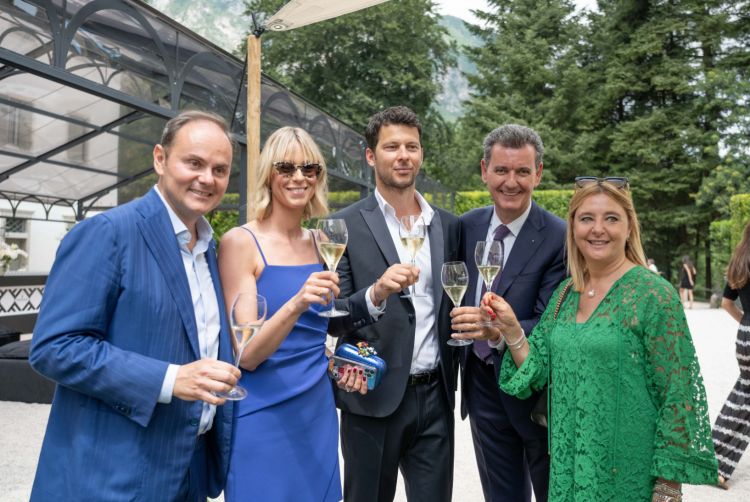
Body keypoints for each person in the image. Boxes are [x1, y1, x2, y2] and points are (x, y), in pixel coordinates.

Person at [28, 111, 241, 501]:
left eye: (219, 169)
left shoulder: (210, 250)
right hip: (114, 473)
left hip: (189, 472)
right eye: (193, 162)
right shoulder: (108, 233)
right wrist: (169, 379)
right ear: (160, 159)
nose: (207, 178)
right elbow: (54, 347)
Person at [464, 177, 719, 501]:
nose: (598, 228)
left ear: (629, 227)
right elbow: (536, 369)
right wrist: (512, 330)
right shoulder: (564, 295)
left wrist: (668, 486)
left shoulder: (653, 295)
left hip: (628, 474)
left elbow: (677, 395)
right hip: (568, 469)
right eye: (587, 218)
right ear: (573, 228)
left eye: (611, 218)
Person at [218, 127, 369, 501]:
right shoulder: (241, 242)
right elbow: (247, 354)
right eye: (286, 167)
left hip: (315, 412)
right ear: (269, 173)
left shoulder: (323, 242)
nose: (299, 177)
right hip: (262, 412)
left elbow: (318, 333)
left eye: (309, 168)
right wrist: (298, 301)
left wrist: (342, 363)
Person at [328, 106, 460, 501]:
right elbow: (333, 320)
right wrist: (376, 293)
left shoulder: (448, 225)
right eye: (391, 147)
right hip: (372, 395)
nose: (403, 155)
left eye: (411, 147)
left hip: (435, 396)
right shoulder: (343, 225)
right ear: (371, 155)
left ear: (420, 154)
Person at [449, 124, 565, 502]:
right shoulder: (466, 226)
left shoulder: (558, 237)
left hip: (538, 395)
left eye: (522, 171)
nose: (510, 182)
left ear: (539, 174)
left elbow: (551, 323)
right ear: (484, 171)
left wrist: (496, 332)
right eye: (501, 170)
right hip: (482, 387)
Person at [712, 220, 750, 490]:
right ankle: (718, 464)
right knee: (745, 401)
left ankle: (712, 458)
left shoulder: (739, 261)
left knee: (743, 394)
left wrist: (745, 323)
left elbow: (727, 303)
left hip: (746, 335)